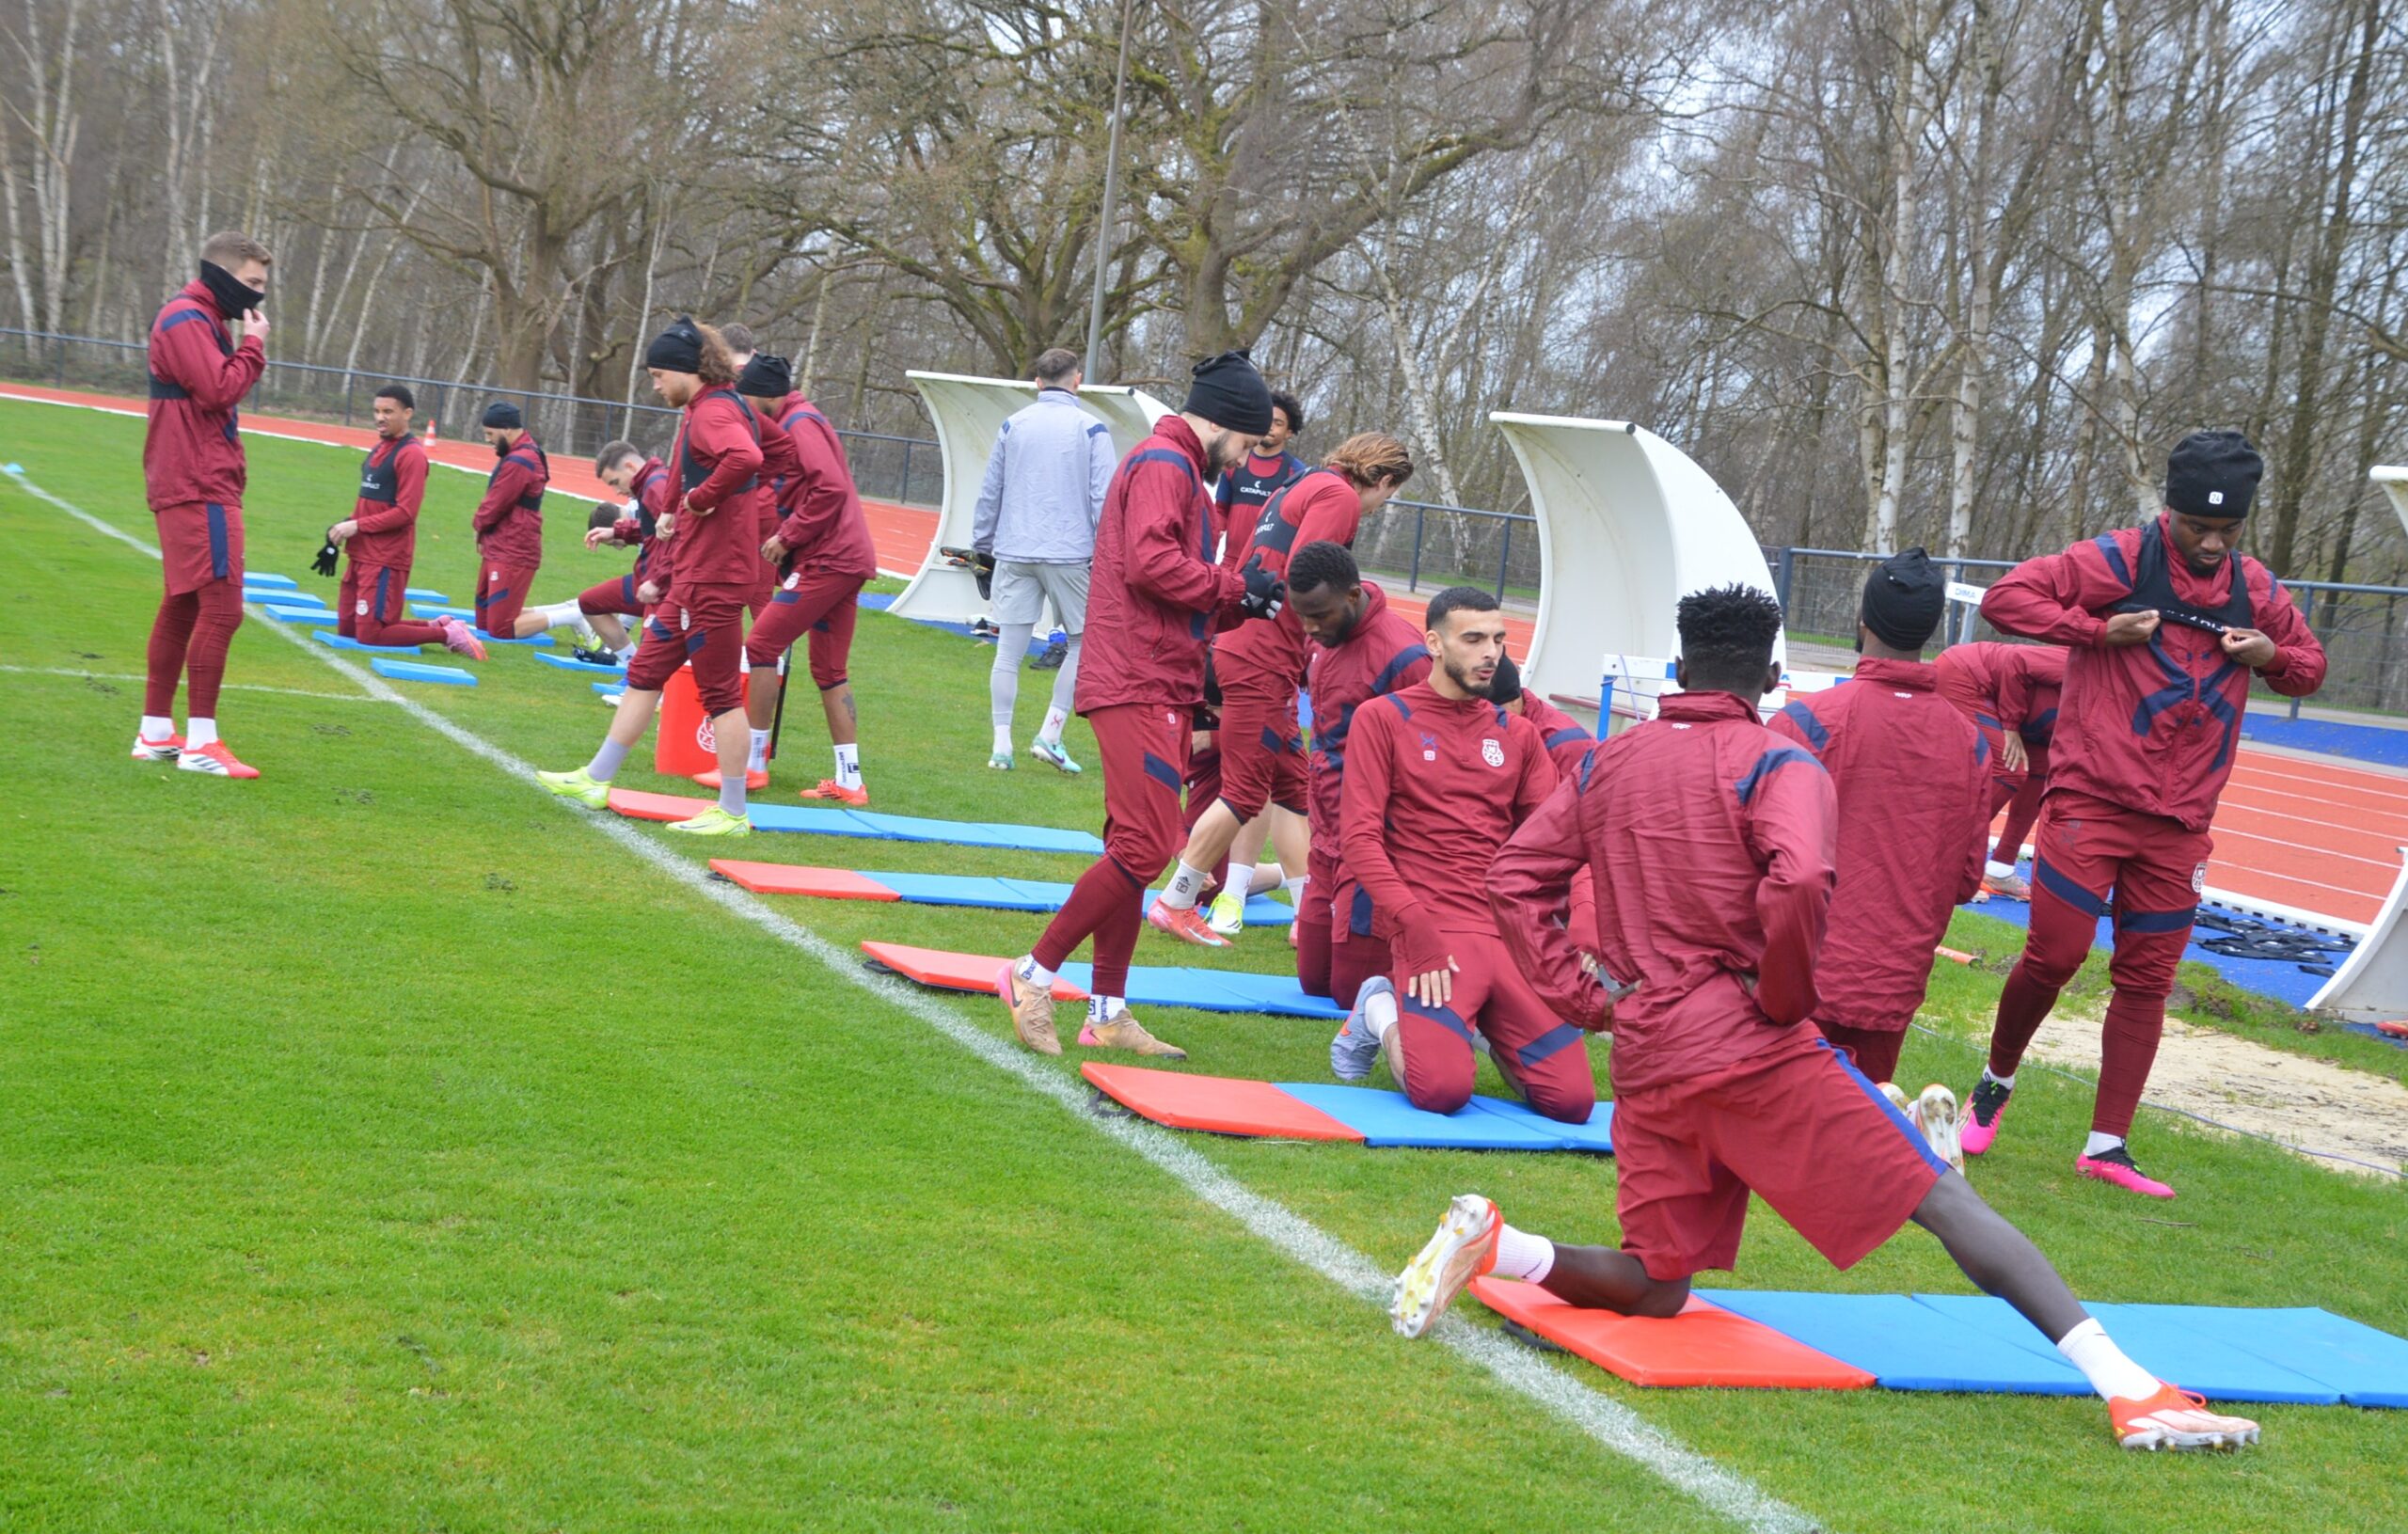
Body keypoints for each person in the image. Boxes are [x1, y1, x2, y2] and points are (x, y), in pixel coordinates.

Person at [1381, 584, 2261, 1454]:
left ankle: (1501, 1244)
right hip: (1745, 1043)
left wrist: (1585, 996)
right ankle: (2131, 1386)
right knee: (1943, 1196)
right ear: (1773, 676)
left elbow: (1514, 877)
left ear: (1679, 668)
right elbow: (1800, 878)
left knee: (1657, 1283)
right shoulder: (1778, 762)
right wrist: (1783, 1000)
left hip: (1649, 1047)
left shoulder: (1610, 759)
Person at [1964, 431, 2326, 1196]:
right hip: (2091, 802)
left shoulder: (2255, 585)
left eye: (2227, 529)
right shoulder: (2123, 560)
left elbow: (2310, 666)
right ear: (2171, 511)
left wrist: (2270, 657)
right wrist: (2096, 629)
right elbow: (2007, 598)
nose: (2212, 543)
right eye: (2198, 526)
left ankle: (2107, 1145)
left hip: (2181, 822)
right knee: (2055, 956)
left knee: (2147, 979)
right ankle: (1996, 1079)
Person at [999, 351, 1288, 1060]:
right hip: (1138, 677)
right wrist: (1234, 589)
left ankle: (1108, 1011)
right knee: (1147, 846)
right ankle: (1032, 972)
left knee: (1130, 845)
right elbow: (1152, 564)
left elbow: (1166, 577)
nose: (1246, 459)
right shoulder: (1166, 463)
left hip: (1155, 676)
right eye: (1247, 443)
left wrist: (1235, 605)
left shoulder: (1176, 465)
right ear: (1221, 422)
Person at [1323, 586, 1589, 1121]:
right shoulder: (1384, 717)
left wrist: (1583, 922)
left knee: (1573, 1102)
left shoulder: (1519, 735)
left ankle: (1481, 1022)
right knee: (1441, 1092)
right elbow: (1359, 840)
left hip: (1509, 936)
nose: (1491, 653)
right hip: (1433, 932)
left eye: (1498, 640)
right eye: (1473, 639)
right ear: (1434, 644)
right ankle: (1379, 1008)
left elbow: (1561, 842)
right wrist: (1414, 928)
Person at [1150, 432, 1417, 944]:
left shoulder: (1299, 481)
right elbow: (1308, 577)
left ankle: (1310, 917)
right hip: (1261, 656)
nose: (1381, 505)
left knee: (1296, 789)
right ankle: (1176, 900)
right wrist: (1324, 641)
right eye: (1389, 494)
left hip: (1251, 646)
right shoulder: (1338, 496)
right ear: (1383, 479)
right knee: (1244, 791)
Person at [1766, 550, 1988, 1127]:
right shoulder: (1970, 743)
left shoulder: (1804, 723)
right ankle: (1902, 1127)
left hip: (1800, 969)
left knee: (1788, 1119)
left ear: (1863, 621)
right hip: (1894, 976)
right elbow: (1967, 878)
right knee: (1857, 1121)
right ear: (1931, 630)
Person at [538, 318, 767, 835]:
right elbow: (730, 459)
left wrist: (701, 500)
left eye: (660, 375)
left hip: (714, 577)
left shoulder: (714, 411)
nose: (656, 386)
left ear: (687, 370)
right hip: (692, 573)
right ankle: (596, 778)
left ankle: (733, 811)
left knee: (721, 695)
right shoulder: (708, 407)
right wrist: (671, 512)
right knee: (643, 674)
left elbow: (748, 456)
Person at [135, 230, 272, 778]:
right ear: (221, 274)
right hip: (198, 483)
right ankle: (201, 743)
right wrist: (253, 346)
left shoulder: (202, 318)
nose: (259, 295)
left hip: (192, 478)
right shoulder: (186, 318)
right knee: (223, 609)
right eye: (253, 282)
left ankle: (155, 732)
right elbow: (218, 390)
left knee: (183, 605)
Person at [731, 353, 881, 800]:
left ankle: (753, 764)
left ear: (764, 396)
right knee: (829, 670)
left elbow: (829, 487)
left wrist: (788, 536)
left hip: (830, 560)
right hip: (841, 559)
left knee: (761, 645)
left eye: (746, 401)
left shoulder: (799, 424)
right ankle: (850, 781)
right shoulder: (798, 420)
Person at [1290, 542, 1431, 1004]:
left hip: (1373, 843)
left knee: (1351, 992)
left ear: (1353, 597)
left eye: (1319, 615)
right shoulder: (1323, 636)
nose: (1310, 627)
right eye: (1302, 616)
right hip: (1326, 834)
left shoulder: (1405, 656)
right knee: (1314, 981)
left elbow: (1432, 753)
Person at [971, 346, 1116, 774]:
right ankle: (1050, 733)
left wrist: (982, 545)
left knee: (1008, 652)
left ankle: (1001, 746)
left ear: (1037, 382)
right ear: (1077, 380)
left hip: (1015, 548)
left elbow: (991, 490)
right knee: (1082, 644)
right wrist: (1107, 553)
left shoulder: (1012, 424)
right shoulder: (1092, 428)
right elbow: (1104, 499)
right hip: (1070, 552)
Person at [326, 384, 485, 659]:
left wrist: (358, 526)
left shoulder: (412, 455)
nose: (380, 417)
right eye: (377, 411)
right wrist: (344, 525)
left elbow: (406, 513)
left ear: (407, 413)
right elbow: (370, 503)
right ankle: (437, 625)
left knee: (372, 634)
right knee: (349, 630)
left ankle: (448, 634)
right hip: (360, 553)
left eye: (388, 412)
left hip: (385, 557)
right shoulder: (379, 449)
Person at [1934, 640, 2068, 899]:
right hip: (1966, 677)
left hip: (2014, 705)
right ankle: (1944, 865)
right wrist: (2011, 723)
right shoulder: (2087, 668)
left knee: (2041, 772)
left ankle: (2000, 869)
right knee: (2009, 770)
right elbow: (2016, 662)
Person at [555, 440, 675, 665]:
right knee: (590, 602)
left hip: (665, 585)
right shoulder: (650, 485)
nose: (617, 491)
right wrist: (618, 531)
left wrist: (657, 581)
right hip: (651, 578)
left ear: (630, 466)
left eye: (615, 482)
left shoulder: (655, 485)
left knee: (654, 660)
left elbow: (682, 537)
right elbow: (655, 529)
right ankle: (631, 666)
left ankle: (638, 676)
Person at [470, 403, 548, 637]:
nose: (488, 439)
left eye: (490, 433)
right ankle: (565, 610)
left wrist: (478, 527)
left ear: (506, 429)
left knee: (500, 628)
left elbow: (496, 502)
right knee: (484, 622)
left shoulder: (521, 460)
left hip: (513, 548)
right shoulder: (517, 455)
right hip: (500, 543)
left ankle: (572, 615)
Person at [1212, 388, 1307, 552]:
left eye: (1278, 423)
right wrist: (1213, 533)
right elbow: (1220, 510)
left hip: (1264, 562)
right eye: (1268, 420)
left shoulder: (1297, 471)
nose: (1271, 427)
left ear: (1289, 433)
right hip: (1229, 560)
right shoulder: (1235, 459)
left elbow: (1296, 523)